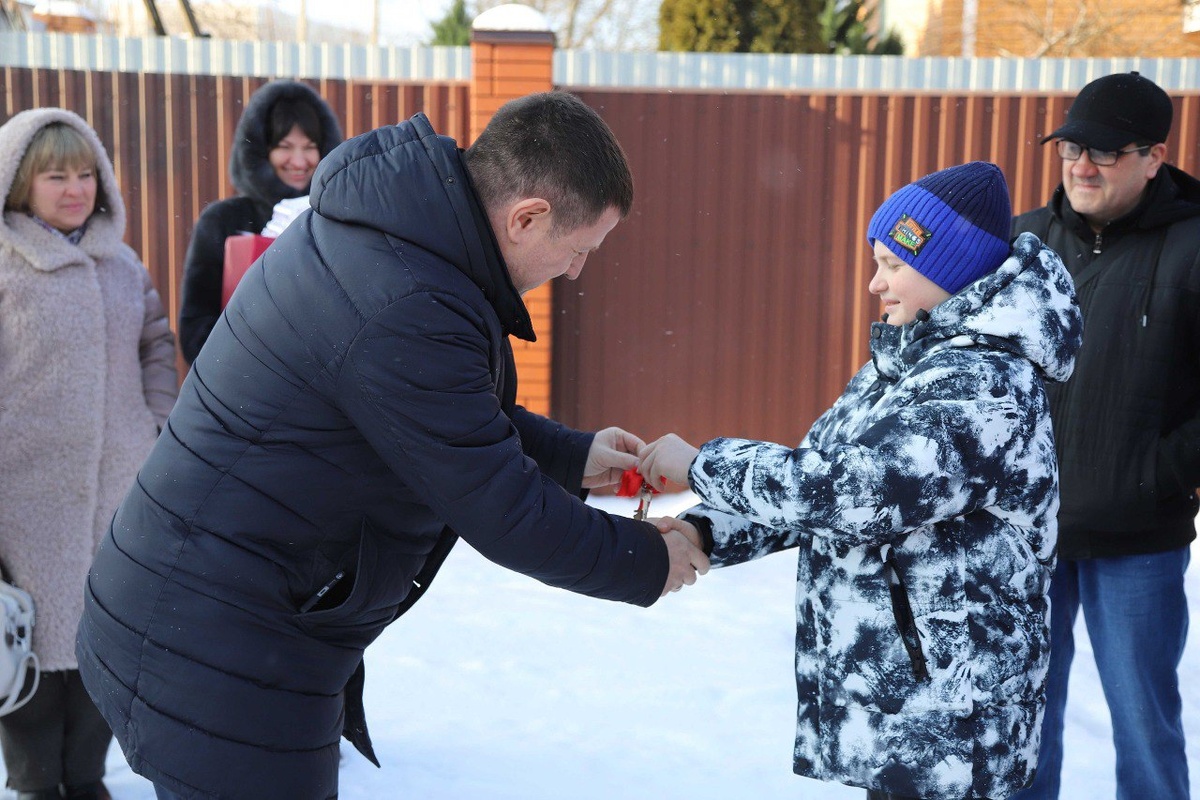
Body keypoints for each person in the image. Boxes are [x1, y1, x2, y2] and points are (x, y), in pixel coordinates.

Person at [75, 90, 710, 800]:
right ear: (527, 217)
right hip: (211, 645)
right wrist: (644, 559)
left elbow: (438, 413)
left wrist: (573, 457)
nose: (575, 271)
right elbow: (500, 506)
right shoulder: (403, 295)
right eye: (579, 249)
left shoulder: (402, 244)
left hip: (215, 619)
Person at [639, 162, 1084, 800]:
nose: (875, 283)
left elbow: (860, 494)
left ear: (951, 267)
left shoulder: (984, 384)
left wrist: (701, 464)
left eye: (892, 264)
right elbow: (819, 475)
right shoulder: (904, 365)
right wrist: (704, 531)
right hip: (908, 710)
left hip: (954, 723)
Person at [1007, 71, 1200, 800]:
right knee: (1022, 716)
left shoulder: (1194, 245)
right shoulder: (1021, 243)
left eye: (1105, 152)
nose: (1082, 166)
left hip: (1137, 536)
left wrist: (1159, 473)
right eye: (1071, 149)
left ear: (1154, 157)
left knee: (1145, 720)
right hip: (1025, 536)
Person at [0, 108, 179, 800]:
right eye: (55, 177)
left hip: (117, 491)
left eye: (84, 174)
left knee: (103, 642)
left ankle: (86, 779)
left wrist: (153, 422)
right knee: (26, 646)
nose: (75, 189)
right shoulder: (6, 265)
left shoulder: (122, 264)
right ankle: (34, 782)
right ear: (19, 183)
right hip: (25, 495)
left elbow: (156, 344)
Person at [177, 79, 343, 365]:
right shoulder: (223, 221)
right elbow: (196, 326)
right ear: (261, 152)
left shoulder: (339, 221)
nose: (299, 161)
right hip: (242, 379)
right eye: (285, 146)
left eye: (309, 146)